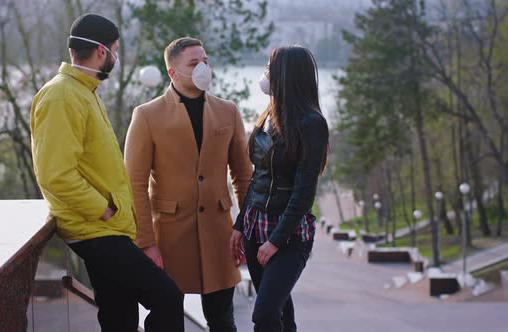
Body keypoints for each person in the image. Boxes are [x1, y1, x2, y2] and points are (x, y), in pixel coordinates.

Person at [30, 13, 184, 332]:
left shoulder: (83, 90)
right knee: (168, 297)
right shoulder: (62, 95)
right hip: (94, 229)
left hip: (106, 227)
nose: (116, 56)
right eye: (116, 49)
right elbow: (54, 174)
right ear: (102, 51)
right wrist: (104, 209)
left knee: (119, 316)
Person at [124, 37, 252, 332]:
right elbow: (135, 184)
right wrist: (146, 243)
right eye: (194, 63)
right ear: (173, 72)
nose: (202, 67)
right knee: (167, 319)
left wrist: (245, 227)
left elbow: (244, 176)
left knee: (223, 319)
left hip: (220, 236)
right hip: (169, 236)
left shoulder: (228, 111)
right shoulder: (146, 115)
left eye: (205, 61)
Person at [229, 46, 329, 332]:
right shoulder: (268, 115)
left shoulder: (312, 123)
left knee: (265, 315)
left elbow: (304, 191)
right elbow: (257, 177)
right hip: (253, 227)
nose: (265, 75)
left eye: (270, 68)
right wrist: (239, 225)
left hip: (287, 236)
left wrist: (275, 240)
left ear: (286, 75)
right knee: (281, 313)